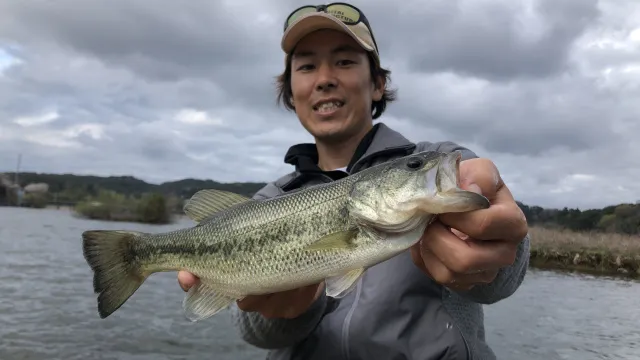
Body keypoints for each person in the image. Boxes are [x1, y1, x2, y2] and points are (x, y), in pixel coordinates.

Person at [178, 3, 530, 359]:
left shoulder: (436, 160)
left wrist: (500, 250)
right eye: (306, 66)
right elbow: (254, 333)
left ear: (378, 84)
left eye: (345, 61)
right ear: (291, 91)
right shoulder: (269, 199)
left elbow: (502, 275)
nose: (325, 78)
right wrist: (289, 309)